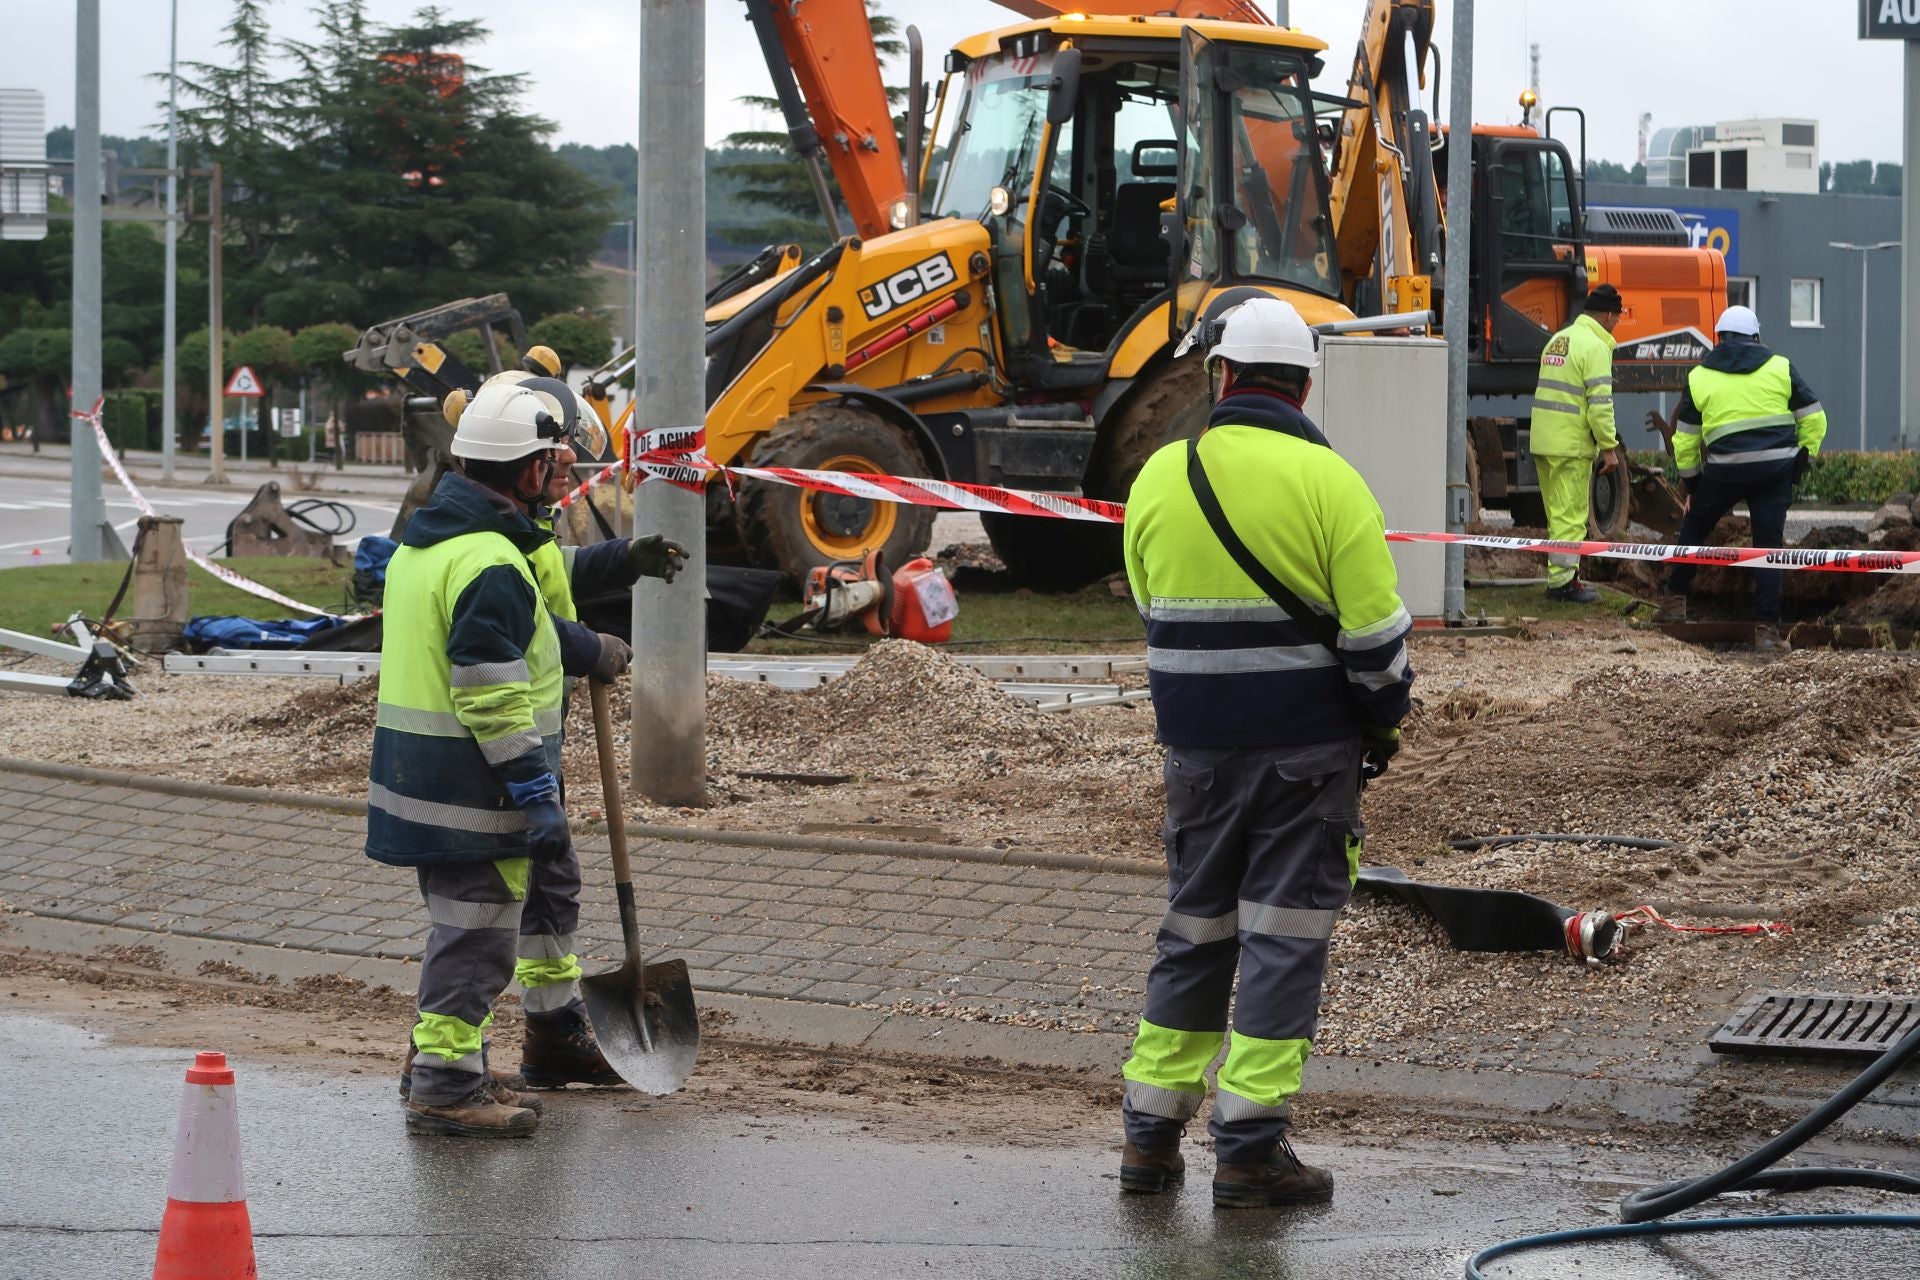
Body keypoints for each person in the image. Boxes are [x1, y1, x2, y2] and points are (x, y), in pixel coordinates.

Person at [1116, 297, 1415, 1207]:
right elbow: (1376, 641)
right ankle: (1247, 1151)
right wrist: (1383, 724)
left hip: (1196, 753)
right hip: (1304, 753)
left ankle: (1149, 1140)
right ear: (1306, 383)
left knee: (1195, 931)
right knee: (1283, 939)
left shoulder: (1161, 477)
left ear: (1222, 376)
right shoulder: (1331, 482)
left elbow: (1148, 605)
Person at [368, 374, 641, 1137]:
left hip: (437, 773)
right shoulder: (487, 560)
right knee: (477, 932)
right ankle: (446, 1086)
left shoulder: (453, 541)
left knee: (510, 904)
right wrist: (533, 791)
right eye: (556, 460)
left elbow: (524, 632)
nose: (565, 473)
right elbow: (488, 689)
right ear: (524, 469)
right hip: (473, 781)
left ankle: (505, 1047)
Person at [1654, 305, 1826, 652]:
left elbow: (1684, 439)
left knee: (1694, 529)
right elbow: (1816, 419)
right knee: (1768, 548)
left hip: (1725, 470)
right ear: (1756, 336)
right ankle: (1766, 631)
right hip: (1775, 471)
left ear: (1719, 339)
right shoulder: (1780, 367)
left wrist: (1694, 483)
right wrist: (1801, 461)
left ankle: (1673, 603)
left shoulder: (1700, 376)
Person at [1528, 283, 1627, 603]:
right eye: (1619, 316)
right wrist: (1609, 447)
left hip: (1545, 440)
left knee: (1557, 514)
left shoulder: (1559, 340)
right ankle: (1563, 584)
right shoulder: (1595, 347)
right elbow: (1600, 404)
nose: (1617, 323)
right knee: (1571, 515)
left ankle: (1562, 578)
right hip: (1570, 444)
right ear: (1610, 314)